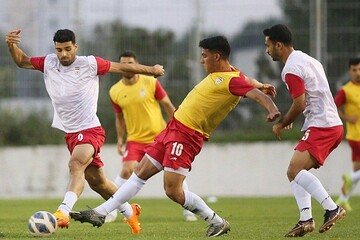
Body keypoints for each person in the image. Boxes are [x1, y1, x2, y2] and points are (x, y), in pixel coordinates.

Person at [70, 35, 280, 237]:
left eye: (205, 55)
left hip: (187, 136)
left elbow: (256, 96)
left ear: (217, 57)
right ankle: (100, 213)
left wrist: (271, 108)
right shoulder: (232, 75)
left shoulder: (230, 81)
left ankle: (215, 221)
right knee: (139, 173)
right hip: (172, 129)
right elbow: (248, 81)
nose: (201, 60)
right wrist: (260, 83)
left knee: (173, 191)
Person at [5, 29, 164, 233]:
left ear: (75, 47)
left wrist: (152, 70)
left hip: (90, 130)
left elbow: (122, 66)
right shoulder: (49, 63)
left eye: (68, 49)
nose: (63, 54)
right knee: (99, 183)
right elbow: (22, 61)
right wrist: (11, 45)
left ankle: (63, 212)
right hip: (71, 134)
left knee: (75, 164)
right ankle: (130, 212)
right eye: (59, 50)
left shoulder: (89, 64)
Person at [263, 24, 346, 237]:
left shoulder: (290, 68)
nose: (267, 50)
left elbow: (299, 104)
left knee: (293, 171)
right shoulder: (308, 59)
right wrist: (293, 116)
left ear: (278, 45)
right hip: (330, 124)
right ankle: (305, 219)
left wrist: (281, 123)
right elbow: (309, 98)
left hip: (322, 125)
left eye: (268, 45)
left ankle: (331, 208)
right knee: (296, 173)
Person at [105, 50, 197, 222]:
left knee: (173, 173)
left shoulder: (150, 82)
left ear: (137, 64)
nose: (127, 66)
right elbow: (119, 118)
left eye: (131, 63)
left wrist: (178, 130)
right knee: (126, 169)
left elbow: (167, 105)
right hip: (134, 140)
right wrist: (119, 139)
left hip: (160, 137)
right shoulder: (114, 91)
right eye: (123, 63)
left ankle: (189, 210)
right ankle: (112, 209)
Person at [335, 57, 360, 212]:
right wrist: (346, 118)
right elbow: (333, 106)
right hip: (356, 135)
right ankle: (349, 178)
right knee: (356, 173)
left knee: (357, 171)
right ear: (349, 71)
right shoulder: (346, 90)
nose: (358, 73)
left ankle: (343, 200)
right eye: (354, 70)